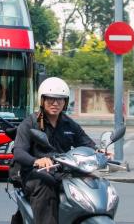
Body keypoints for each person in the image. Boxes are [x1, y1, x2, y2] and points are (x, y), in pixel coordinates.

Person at [10, 77, 96, 224]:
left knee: (90, 183)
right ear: (42, 100)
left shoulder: (69, 124)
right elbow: (19, 152)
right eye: (50, 99)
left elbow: (87, 144)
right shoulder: (30, 123)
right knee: (46, 184)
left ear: (65, 102)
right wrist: (37, 161)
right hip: (34, 173)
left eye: (60, 100)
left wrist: (100, 153)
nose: (55, 103)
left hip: (62, 171)